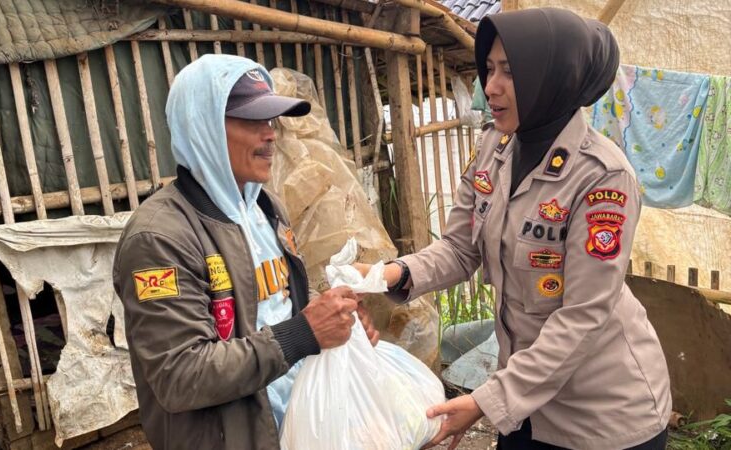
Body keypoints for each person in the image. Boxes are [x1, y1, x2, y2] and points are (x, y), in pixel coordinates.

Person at [357, 8, 671, 450]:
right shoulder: (493, 147)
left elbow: (583, 315)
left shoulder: (601, 177)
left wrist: (484, 401)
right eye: (489, 69)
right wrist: (387, 274)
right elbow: (460, 248)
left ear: (552, 78)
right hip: (521, 402)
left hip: (601, 417)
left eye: (510, 71)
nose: (491, 86)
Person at [113, 54, 377, 450]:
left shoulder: (265, 207)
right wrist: (304, 333)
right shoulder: (158, 238)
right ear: (203, 127)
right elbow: (179, 375)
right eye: (253, 121)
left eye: (270, 121)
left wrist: (335, 318)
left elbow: (279, 304)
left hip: (294, 427)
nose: (270, 135)